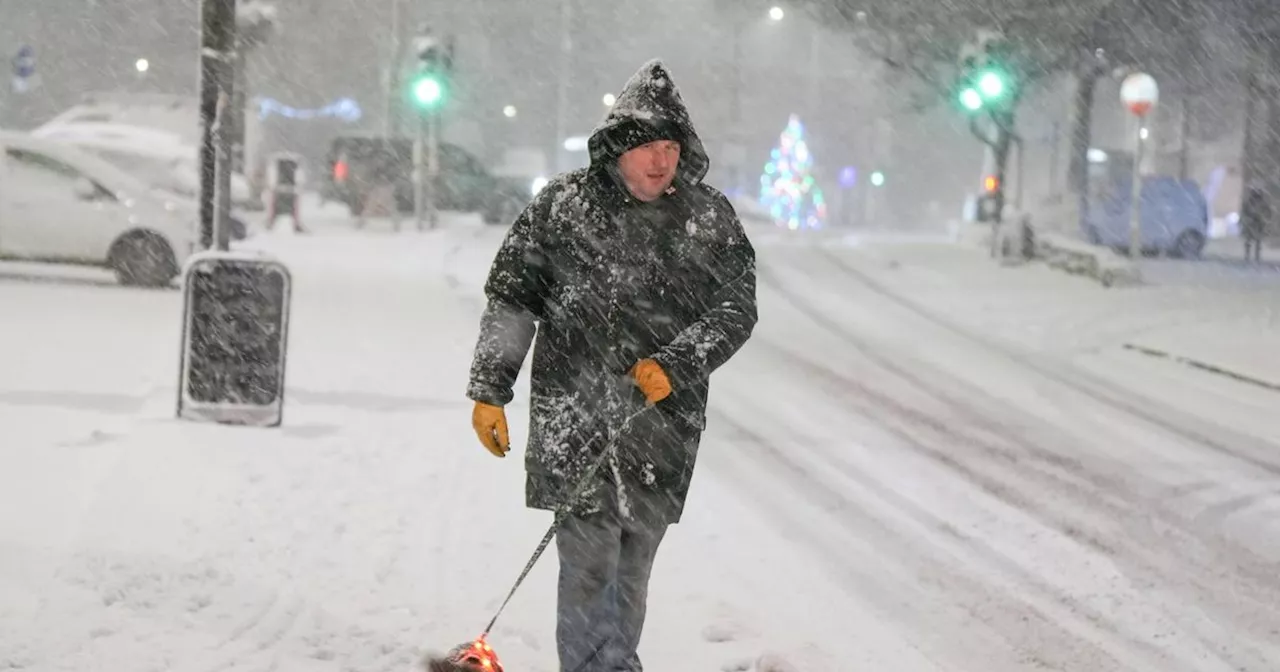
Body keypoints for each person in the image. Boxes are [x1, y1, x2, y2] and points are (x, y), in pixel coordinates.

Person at [465, 59, 757, 671]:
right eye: (648, 146)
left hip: (661, 426)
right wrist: (491, 389)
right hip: (575, 415)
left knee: (633, 565)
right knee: (589, 562)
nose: (660, 160)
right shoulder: (561, 208)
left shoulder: (707, 219)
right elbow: (514, 298)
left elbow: (736, 310)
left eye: (670, 146)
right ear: (617, 150)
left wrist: (675, 365)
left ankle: (613, 663)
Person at [1241, 185, 1268, 262]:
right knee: (1249, 241)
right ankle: (1248, 255)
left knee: (1257, 241)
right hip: (1251, 222)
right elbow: (1245, 212)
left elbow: (1266, 213)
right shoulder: (1249, 202)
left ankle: (1256, 256)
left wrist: (1263, 219)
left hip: (1258, 223)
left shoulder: (1262, 204)